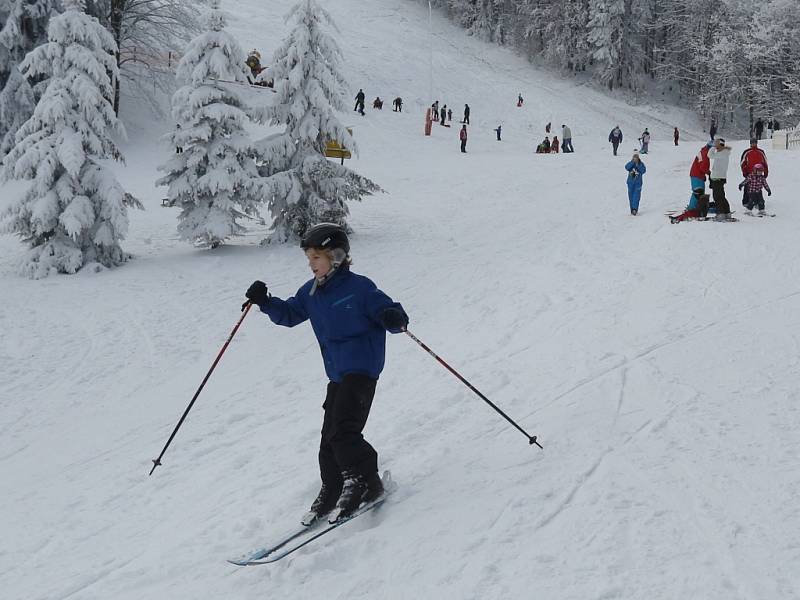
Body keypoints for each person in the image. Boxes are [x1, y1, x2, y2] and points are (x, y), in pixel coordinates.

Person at [243, 224, 408, 525]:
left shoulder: (359, 288)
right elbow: (291, 314)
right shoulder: (311, 293)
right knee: (328, 438)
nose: (311, 264)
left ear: (336, 256)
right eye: (309, 259)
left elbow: (389, 311)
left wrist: (393, 317)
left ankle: (365, 481)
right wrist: (265, 302)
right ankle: (333, 487)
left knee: (344, 431)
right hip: (337, 374)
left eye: (316, 258)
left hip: (362, 369)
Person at [709, 137, 733, 220]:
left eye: (717, 143)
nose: (715, 145)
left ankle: (721, 213)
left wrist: (712, 147)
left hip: (717, 178)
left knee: (717, 197)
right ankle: (727, 213)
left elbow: (710, 155)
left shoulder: (722, 153)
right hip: (720, 177)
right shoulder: (724, 153)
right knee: (721, 196)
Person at [624, 151, 646, 216]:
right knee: (631, 196)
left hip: (638, 183)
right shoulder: (631, 163)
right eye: (634, 157)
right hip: (630, 183)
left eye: (636, 157)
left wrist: (637, 165)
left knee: (636, 196)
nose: (635, 158)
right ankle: (632, 209)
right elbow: (626, 167)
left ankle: (635, 209)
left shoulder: (641, 164)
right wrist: (632, 162)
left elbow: (643, 170)